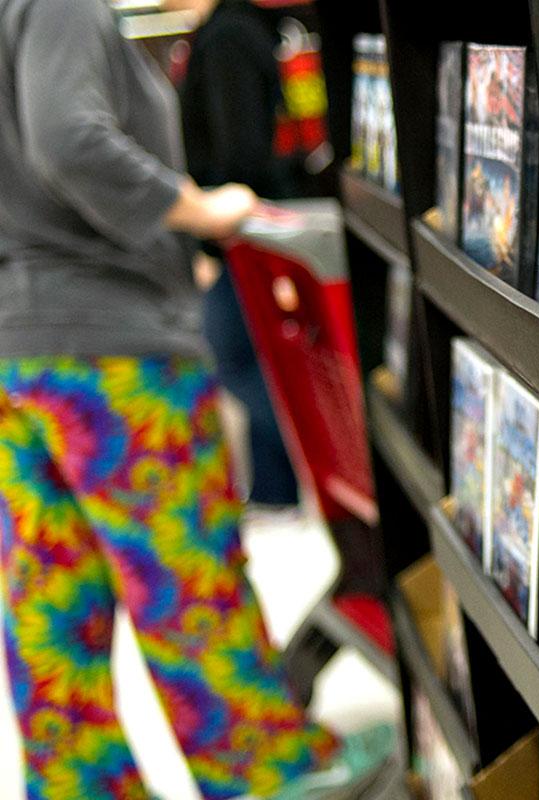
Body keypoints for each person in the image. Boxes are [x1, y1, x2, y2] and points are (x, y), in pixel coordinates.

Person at [0, 0, 386, 797]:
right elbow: (70, 142)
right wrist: (200, 210)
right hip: (114, 349)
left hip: (20, 349)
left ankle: (79, 785)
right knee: (185, 576)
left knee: (51, 598)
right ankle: (265, 776)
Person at [179, 0, 301, 513]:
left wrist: (210, 242)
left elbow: (241, 152)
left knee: (234, 356)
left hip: (238, 233)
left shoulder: (227, 36)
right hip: (243, 228)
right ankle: (275, 490)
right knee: (254, 357)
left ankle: (302, 465)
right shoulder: (230, 30)